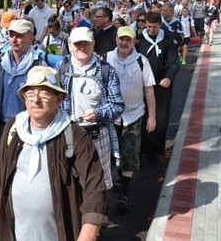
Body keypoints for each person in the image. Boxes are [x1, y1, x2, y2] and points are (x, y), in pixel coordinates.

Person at [0, 66, 109, 240]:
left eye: (45, 93)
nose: (36, 100)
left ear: (59, 98)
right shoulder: (13, 128)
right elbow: (0, 182)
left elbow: (95, 189)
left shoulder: (74, 135)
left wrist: (87, 236)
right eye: (30, 93)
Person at [56, 27, 124, 188]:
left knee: (97, 185)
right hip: (67, 136)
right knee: (68, 184)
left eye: (86, 43)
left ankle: (98, 213)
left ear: (93, 44)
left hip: (97, 136)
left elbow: (118, 106)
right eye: (78, 43)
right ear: (70, 45)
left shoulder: (107, 70)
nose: (82, 47)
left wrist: (98, 113)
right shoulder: (61, 68)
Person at [107, 27, 156, 212]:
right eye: (121, 39)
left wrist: (152, 117)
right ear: (116, 39)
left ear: (134, 42)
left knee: (130, 153)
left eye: (128, 40)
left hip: (134, 115)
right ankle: (121, 179)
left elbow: (149, 90)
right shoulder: (107, 59)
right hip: (112, 115)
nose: (124, 43)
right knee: (116, 152)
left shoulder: (142, 62)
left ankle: (124, 194)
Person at [0, 19, 46, 140]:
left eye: (19, 36)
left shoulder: (38, 65)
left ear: (31, 38)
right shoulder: (0, 61)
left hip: (26, 128)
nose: (13, 40)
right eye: (11, 35)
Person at [136, 12, 179, 162]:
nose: (151, 30)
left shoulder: (167, 39)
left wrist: (169, 77)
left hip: (161, 84)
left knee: (160, 119)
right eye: (148, 26)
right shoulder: (140, 39)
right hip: (142, 84)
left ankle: (156, 150)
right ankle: (143, 151)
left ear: (160, 25)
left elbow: (174, 62)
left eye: (154, 27)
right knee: (143, 117)